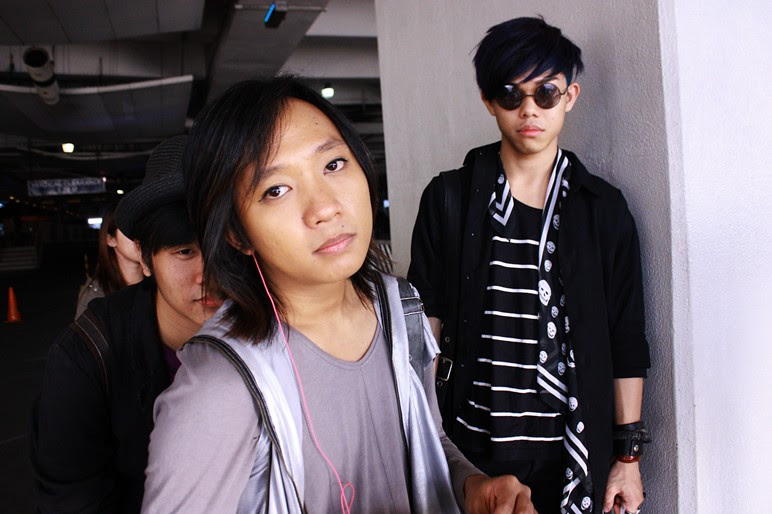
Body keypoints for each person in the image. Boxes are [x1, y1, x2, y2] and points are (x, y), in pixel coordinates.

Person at [141, 78, 536, 514]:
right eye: (276, 190)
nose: (325, 207)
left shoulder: (401, 309)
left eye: (333, 164)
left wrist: (470, 487)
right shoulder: (220, 388)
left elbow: (428, 441)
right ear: (237, 233)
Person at [408, 17, 651, 514]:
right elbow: (424, 331)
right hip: (471, 446)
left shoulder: (602, 210)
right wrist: (425, 440)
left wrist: (627, 457)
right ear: (487, 100)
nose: (529, 110)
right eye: (510, 95)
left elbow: (625, 337)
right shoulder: (450, 198)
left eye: (545, 93)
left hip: (571, 453)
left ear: (570, 96)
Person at [30, 135, 223, 513]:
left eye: (224, 249)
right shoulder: (88, 355)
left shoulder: (277, 328)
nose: (210, 275)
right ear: (146, 261)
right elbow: (70, 497)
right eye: (184, 251)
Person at [75, 202, 144, 318]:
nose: (140, 237)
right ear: (111, 240)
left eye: (144, 229)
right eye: (130, 230)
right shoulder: (96, 296)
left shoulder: (161, 284)